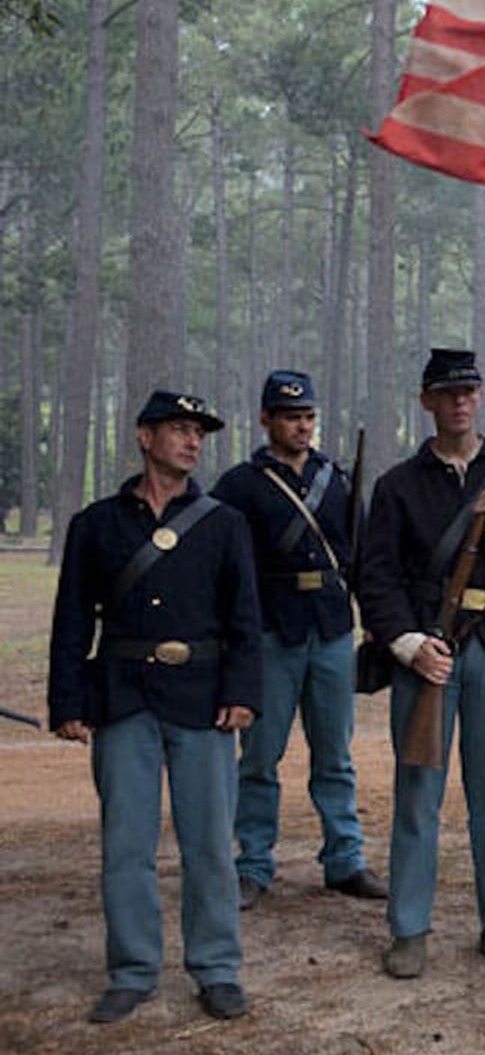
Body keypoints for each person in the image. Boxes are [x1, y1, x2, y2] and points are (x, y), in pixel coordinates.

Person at [47, 390, 262, 1023]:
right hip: (122, 698)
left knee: (209, 846)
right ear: (144, 437)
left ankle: (217, 968)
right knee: (126, 844)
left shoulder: (225, 524)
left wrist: (243, 693)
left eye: (198, 431)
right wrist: (69, 700)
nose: (192, 440)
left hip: (203, 699)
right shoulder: (95, 525)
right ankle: (134, 970)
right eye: (178, 429)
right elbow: (70, 623)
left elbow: (246, 620)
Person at [357, 348, 485, 979]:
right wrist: (406, 644)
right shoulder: (397, 485)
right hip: (427, 653)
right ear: (427, 402)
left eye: (469, 392)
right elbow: (376, 577)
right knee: (419, 795)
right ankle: (409, 928)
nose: (461, 403)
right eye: (448, 394)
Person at [212, 370, 385, 910]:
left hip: (331, 626)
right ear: (266, 419)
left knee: (335, 755)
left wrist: (374, 619)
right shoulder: (239, 486)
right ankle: (254, 864)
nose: (302, 427)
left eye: (308, 416)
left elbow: (357, 555)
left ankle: (344, 860)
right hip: (269, 630)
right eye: (291, 417)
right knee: (260, 756)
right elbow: (224, 566)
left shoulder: (337, 476)